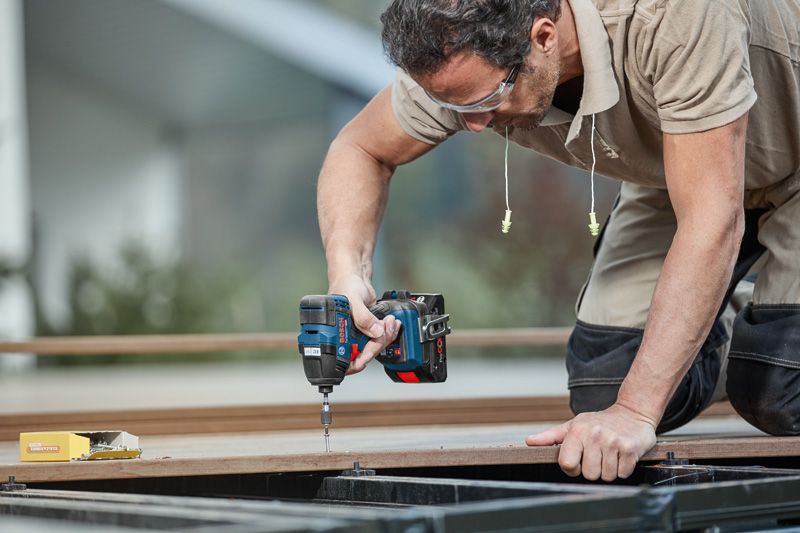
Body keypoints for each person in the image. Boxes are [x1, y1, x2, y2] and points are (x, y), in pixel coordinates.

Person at [316, 0, 800, 481]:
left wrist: (635, 412)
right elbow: (359, 149)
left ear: (543, 38)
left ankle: (765, 339)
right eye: (455, 107)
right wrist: (348, 274)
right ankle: (744, 321)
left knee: (778, 388)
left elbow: (712, 220)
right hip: (685, 171)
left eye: (485, 103)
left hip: (779, 166)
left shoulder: (676, 15)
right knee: (604, 389)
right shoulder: (459, 66)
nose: (474, 124)